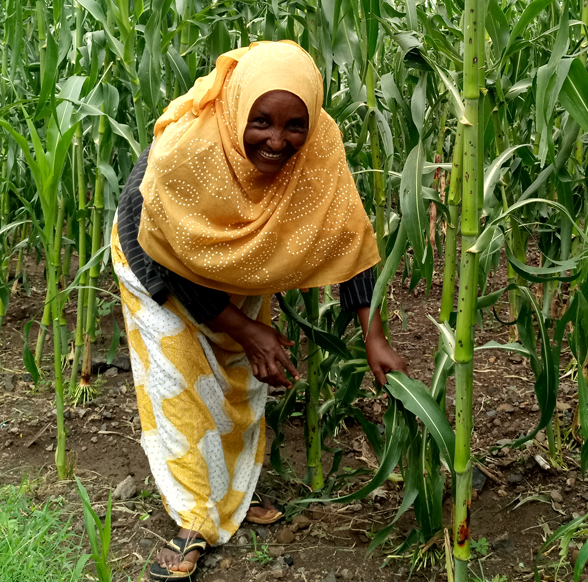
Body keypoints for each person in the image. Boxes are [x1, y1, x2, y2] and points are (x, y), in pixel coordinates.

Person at [110, 40, 408, 580]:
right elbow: (167, 258)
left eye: (295, 124)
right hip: (155, 261)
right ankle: (193, 521)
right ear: (235, 111)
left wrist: (373, 334)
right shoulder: (188, 152)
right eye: (262, 121)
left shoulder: (319, 149)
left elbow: (348, 236)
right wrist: (243, 327)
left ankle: (233, 503)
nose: (277, 140)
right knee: (182, 387)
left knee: (239, 385)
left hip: (239, 266)